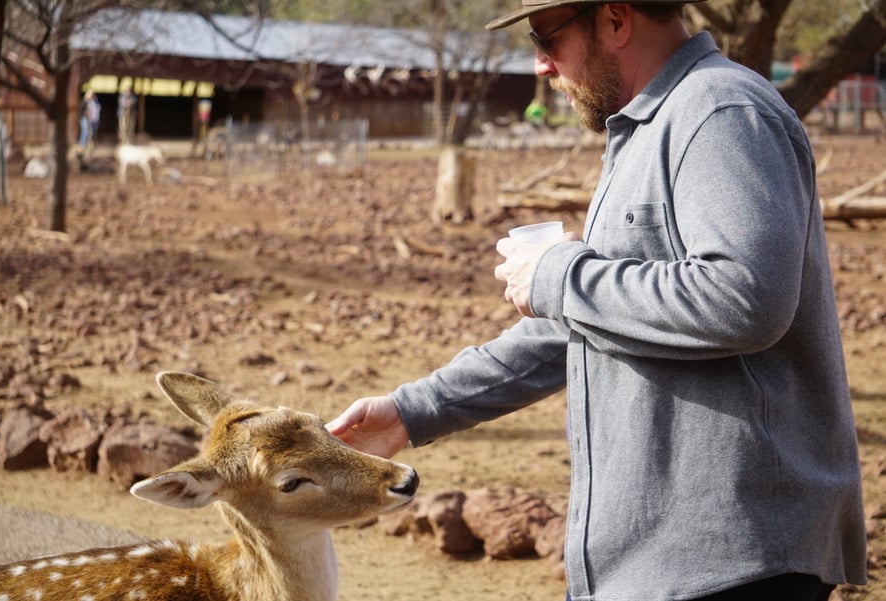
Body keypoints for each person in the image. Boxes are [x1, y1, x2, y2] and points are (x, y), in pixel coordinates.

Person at [327, 2, 867, 600]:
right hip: (668, 560)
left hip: (733, 562)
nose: (538, 64)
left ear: (614, 20)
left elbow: (745, 299)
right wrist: (414, 410)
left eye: (546, 38)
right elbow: (586, 322)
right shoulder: (650, 126)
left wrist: (560, 275)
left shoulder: (719, 112)